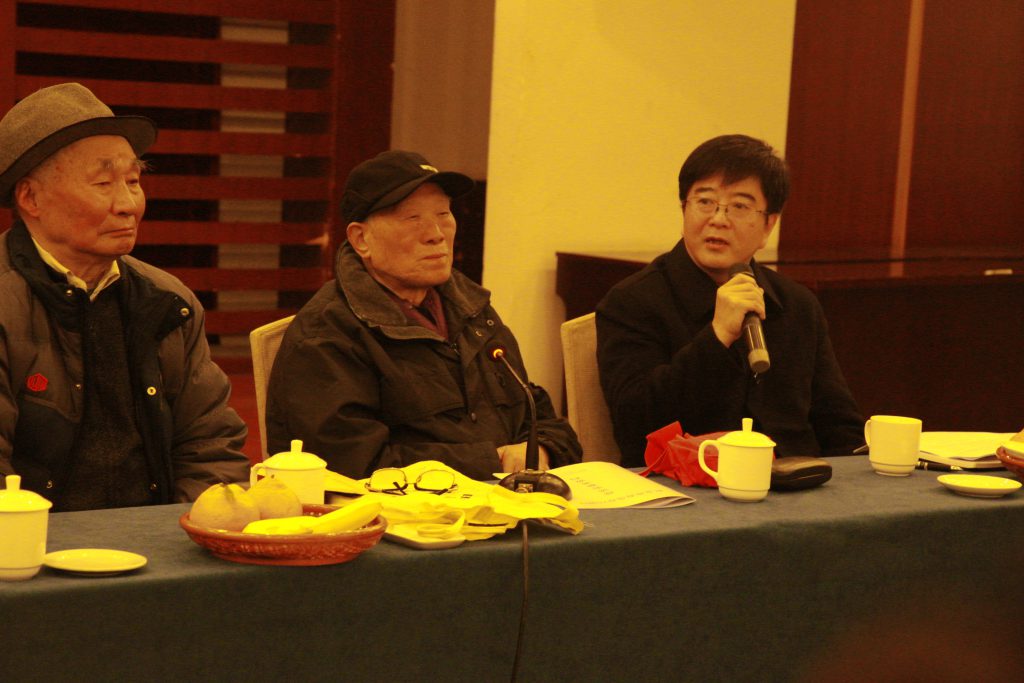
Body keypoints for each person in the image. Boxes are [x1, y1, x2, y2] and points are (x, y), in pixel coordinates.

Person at [0, 83, 250, 510]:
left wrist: (183, 533)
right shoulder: (7, 303)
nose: (128, 204)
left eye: (133, 181)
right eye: (103, 182)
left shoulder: (168, 301)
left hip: (160, 542)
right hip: (30, 544)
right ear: (31, 198)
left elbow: (211, 448)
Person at [266, 150, 582, 480]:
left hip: (506, 499)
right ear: (361, 240)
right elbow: (351, 464)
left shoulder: (472, 310)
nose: (436, 233)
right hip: (401, 510)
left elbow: (538, 413)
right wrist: (492, 460)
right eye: (412, 218)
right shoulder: (327, 333)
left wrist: (541, 448)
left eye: (443, 213)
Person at [596, 134, 863, 467]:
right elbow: (634, 423)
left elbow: (840, 427)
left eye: (739, 206)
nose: (718, 219)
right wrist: (717, 336)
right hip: (687, 486)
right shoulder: (632, 302)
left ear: (768, 225)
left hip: (796, 485)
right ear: (684, 209)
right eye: (705, 201)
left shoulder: (797, 305)